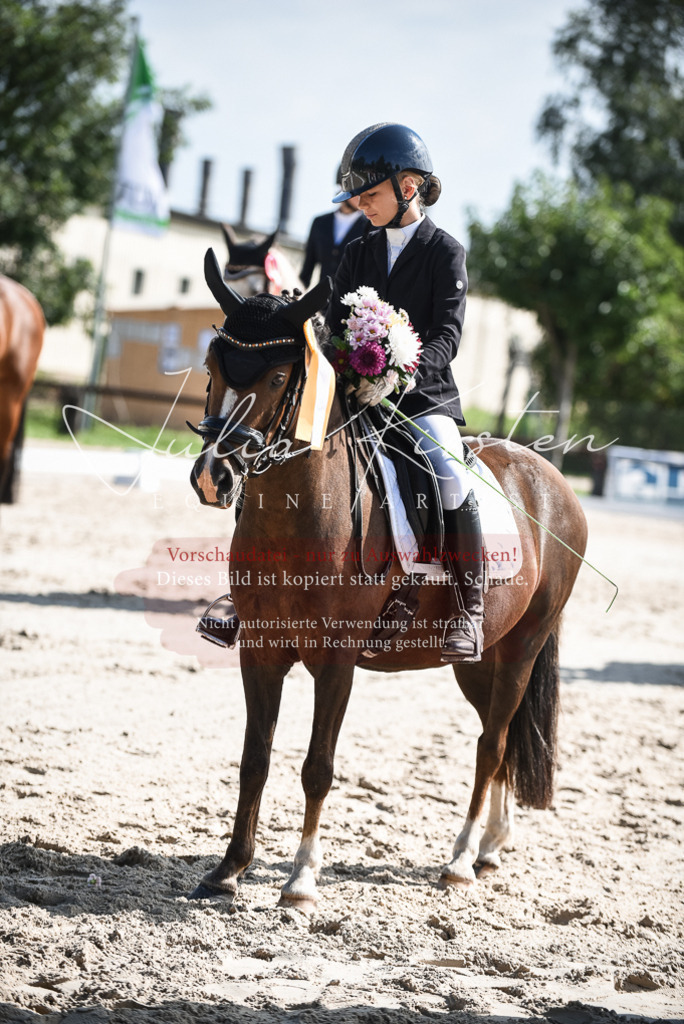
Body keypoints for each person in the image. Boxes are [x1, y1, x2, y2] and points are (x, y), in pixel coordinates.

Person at [326, 122, 484, 663]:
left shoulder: (446, 252)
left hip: (423, 394)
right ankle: (246, 592)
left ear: (408, 186)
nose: (361, 205)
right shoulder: (357, 250)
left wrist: (406, 371)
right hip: (355, 392)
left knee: (448, 470)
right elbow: (335, 324)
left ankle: (468, 607)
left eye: (369, 194)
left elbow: (447, 334)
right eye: (357, 197)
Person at [300, 167, 366, 289]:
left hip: (354, 299)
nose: (362, 194)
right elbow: (306, 273)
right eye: (357, 187)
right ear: (343, 186)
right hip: (321, 299)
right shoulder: (319, 223)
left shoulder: (372, 227)